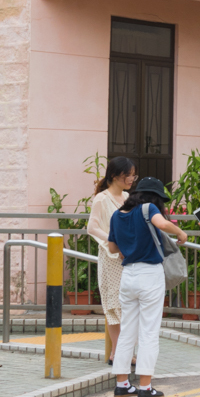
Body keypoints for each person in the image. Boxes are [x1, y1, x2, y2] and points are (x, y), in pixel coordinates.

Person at [106, 176, 188, 397]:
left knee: (127, 331)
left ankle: (122, 384)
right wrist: (180, 233)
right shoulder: (148, 208)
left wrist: (129, 248)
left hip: (128, 275)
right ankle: (145, 386)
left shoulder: (117, 215)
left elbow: (112, 248)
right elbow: (162, 224)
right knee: (149, 332)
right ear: (156, 198)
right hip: (149, 274)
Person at [85, 156, 136, 365]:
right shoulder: (101, 199)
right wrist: (113, 241)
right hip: (111, 257)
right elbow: (92, 227)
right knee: (115, 304)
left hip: (128, 256)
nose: (131, 179)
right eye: (128, 175)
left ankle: (123, 352)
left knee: (127, 304)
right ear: (115, 176)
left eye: (133, 175)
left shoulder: (127, 197)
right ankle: (118, 352)